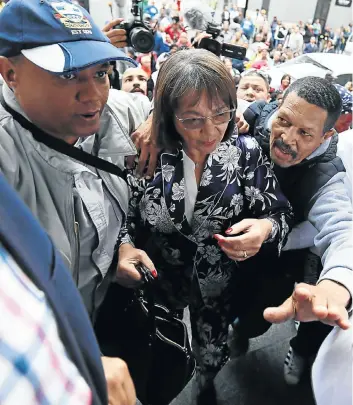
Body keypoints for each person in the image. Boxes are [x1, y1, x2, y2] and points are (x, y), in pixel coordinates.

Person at [116, 49, 293, 404]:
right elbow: (123, 216)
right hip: (157, 282)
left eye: (221, 114)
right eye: (193, 119)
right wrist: (123, 247)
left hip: (219, 283)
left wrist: (264, 229)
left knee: (211, 347)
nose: (210, 131)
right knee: (157, 350)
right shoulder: (147, 151)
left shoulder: (245, 153)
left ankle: (206, 381)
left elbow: (280, 214)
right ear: (168, 115)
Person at [0, 0, 151, 398]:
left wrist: (119, 246)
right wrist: (67, 358)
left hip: (99, 314)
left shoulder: (112, 112)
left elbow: (184, 105)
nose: (93, 94)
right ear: (10, 73)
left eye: (101, 72)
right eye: (68, 75)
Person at [241, 77, 352, 385]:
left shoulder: (328, 178)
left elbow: (343, 230)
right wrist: (158, 119)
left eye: (305, 133)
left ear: (326, 135)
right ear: (278, 106)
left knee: (254, 321)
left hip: (276, 264)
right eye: (285, 122)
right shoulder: (257, 115)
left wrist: (337, 283)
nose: (287, 139)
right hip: (226, 252)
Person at [0, 174, 136, 405]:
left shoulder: (108, 145)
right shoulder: (12, 162)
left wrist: (124, 245)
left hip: (99, 314)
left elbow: (121, 207)